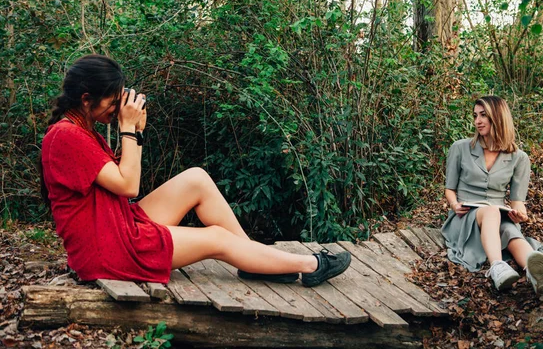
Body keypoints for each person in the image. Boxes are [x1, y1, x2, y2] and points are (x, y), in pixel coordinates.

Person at [40, 54, 350, 287]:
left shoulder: (82, 130)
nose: (116, 107)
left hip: (117, 224)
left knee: (196, 179)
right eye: (112, 100)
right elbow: (128, 185)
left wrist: (137, 132)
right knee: (216, 238)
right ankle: (310, 265)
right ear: (85, 99)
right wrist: (129, 129)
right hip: (108, 251)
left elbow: (117, 179)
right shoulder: (66, 136)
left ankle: (253, 259)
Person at [441, 96, 543, 295]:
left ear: (498, 117)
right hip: (465, 216)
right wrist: (454, 205)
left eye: (484, 115)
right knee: (491, 212)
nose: (477, 121)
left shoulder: (519, 158)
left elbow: (518, 201)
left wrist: (521, 215)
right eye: (475, 116)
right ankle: (497, 267)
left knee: (510, 231)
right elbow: (449, 189)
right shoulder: (460, 147)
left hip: (498, 215)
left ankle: (534, 271)